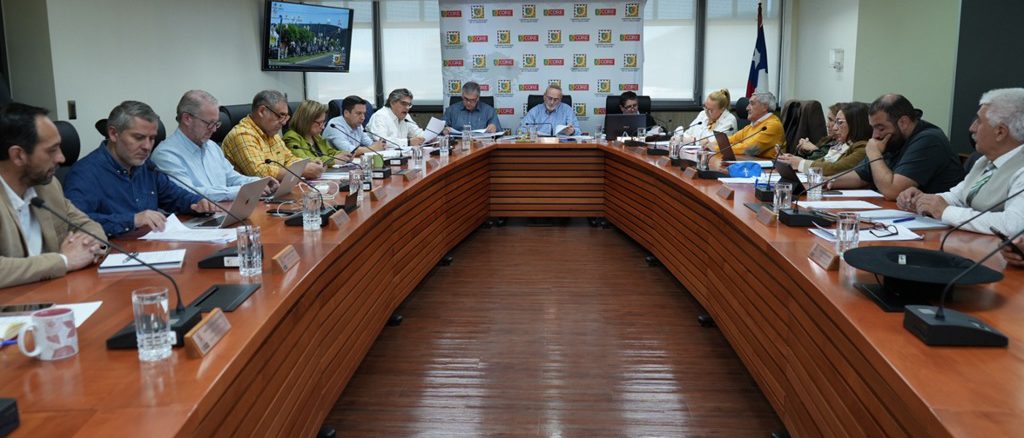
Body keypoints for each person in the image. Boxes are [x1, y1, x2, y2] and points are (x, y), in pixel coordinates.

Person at [64, 101, 218, 236]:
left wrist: (197, 202)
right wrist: (132, 220)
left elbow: (175, 196)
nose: (147, 146)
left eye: (152, 138)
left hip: (150, 247)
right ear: (113, 133)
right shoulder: (84, 174)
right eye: (139, 138)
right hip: (110, 253)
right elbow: (74, 224)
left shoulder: (147, 167)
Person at [0, 103, 106, 288]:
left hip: (53, 293)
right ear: (18, 156)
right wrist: (64, 260)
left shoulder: (48, 187)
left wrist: (86, 247)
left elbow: (89, 226)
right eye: (52, 150)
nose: (61, 158)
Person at [896, 88, 1024, 235]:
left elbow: (1013, 224)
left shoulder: (1021, 170)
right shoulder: (983, 161)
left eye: (979, 121)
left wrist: (946, 212)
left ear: (1000, 131)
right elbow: (958, 197)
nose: (972, 128)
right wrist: (922, 200)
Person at [829, 94, 964, 200]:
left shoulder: (929, 140)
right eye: (873, 128)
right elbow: (860, 176)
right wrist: (827, 181)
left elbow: (893, 191)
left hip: (933, 220)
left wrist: (874, 154)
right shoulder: (893, 138)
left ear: (903, 122)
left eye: (881, 128)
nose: (875, 135)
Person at [152, 90, 277, 202]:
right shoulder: (166, 155)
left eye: (216, 123)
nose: (214, 129)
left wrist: (258, 183)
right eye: (209, 123)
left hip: (223, 212)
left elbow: (232, 178)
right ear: (187, 119)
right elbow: (190, 194)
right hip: (192, 217)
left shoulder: (212, 146)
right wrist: (243, 191)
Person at [222, 90, 324, 180]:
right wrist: (300, 171)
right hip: (250, 194)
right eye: (280, 116)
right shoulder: (242, 134)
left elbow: (289, 159)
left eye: (286, 117)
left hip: (275, 190)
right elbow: (259, 172)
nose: (284, 122)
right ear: (262, 111)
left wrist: (308, 165)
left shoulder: (272, 133)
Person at [777, 102, 870, 176]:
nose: (834, 128)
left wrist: (800, 163)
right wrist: (794, 160)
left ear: (855, 124)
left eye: (840, 123)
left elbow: (835, 168)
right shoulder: (843, 144)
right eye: (835, 122)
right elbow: (823, 161)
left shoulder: (862, 147)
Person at [717, 91, 784, 158]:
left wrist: (717, 149)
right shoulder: (752, 125)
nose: (747, 108)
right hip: (752, 161)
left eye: (752, 104)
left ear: (764, 107)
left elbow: (749, 149)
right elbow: (731, 139)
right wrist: (713, 144)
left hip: (768, 164)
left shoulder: (772, 125)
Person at [283, 100, 351, 164]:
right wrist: (332, 160)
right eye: (319, 123)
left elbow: (330, 152)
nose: (323, 127)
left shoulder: (316, 136)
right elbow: (304, 161)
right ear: (307, 121)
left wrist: (344, 155)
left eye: (323, 122)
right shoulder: (291, 137)